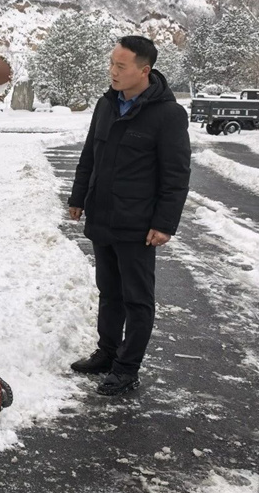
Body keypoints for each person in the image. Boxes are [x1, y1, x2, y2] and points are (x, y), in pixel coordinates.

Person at [68, 35, 191, 395]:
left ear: (144, 70)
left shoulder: (168, 114)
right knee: (109, 291)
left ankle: (127, 367)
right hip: (103, 216)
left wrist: (164, 223)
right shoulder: (106, 105)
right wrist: (78, 197)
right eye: (112, 63)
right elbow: (89, 155)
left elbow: (176, 174)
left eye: (121, 66)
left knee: (137, 299)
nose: (113, 71)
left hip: (138, 225)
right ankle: (107, 352)